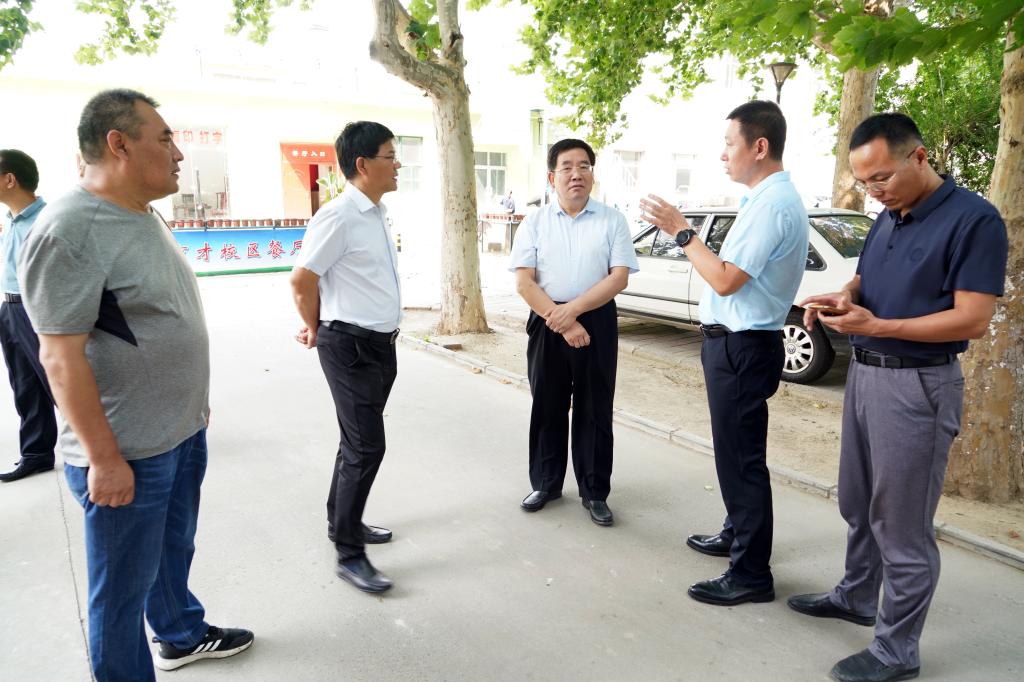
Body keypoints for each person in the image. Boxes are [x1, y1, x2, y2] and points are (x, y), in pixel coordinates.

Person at [18, 89, 253, 681]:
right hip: (126, 453)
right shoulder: (68, 230)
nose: (179, 153)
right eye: (166, 138)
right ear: (119, 144)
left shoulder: (140, 212)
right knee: (120, 597)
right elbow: (60, 358)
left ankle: (180, 633)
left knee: (172, 554)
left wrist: (192, 406)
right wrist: (104, 460)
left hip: (178, 433)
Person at [789, 113, 1008, 682]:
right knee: (858, 501)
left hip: (918, 385)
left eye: (881, 178)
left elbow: (973, 318)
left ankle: (896, 651)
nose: (874, 191)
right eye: (864, 182)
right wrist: (844, 295)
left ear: (920, 157)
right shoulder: (889, 216)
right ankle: (857, 595)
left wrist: (879, 327)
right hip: (865, 375)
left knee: (902, 524)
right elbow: (867, 279)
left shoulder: (974, 220)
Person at [639, 100, 808, 606]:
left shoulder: (773, 204)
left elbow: (726, 279)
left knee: (742, 460)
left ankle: (751, 573)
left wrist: (681, 230)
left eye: (729, 144)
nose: (722, 154)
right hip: (736, 344)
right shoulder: (763, 199)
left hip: (743, 345)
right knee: (735, 454)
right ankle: (737, 533)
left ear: (759, 147)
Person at [291, 121, 402, 594]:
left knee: (354, 442)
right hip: (350, 347)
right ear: (363, 164)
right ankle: (349, 554)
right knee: (366, 446)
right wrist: (316, 326)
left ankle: (343, 522)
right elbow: (302, 279)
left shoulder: (375, 213)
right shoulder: (338, 216)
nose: (398, 164)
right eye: (390, 156)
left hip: (379, 344)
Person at [509, 138, 638, 526]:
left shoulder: (612, 220)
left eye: (584, 166)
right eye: (567, 167)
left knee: (594, 408)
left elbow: (618, 278)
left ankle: (594, 491)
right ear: (553, 177)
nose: (576, 174)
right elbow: (524, 282)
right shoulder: (534, 222)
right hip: (546, 320)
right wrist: (560, 319)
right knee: (547, 404)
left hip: (596, 321)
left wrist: (573, 313)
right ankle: (545, 484)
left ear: (592, 175)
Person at [0, 150, 57, 482]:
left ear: (10, 179)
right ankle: (36, 454)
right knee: (25, 384)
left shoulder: (47, 220)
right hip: (9, 308)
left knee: (59, 382)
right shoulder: (11, 218)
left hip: (36, 309)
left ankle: (99, 450)